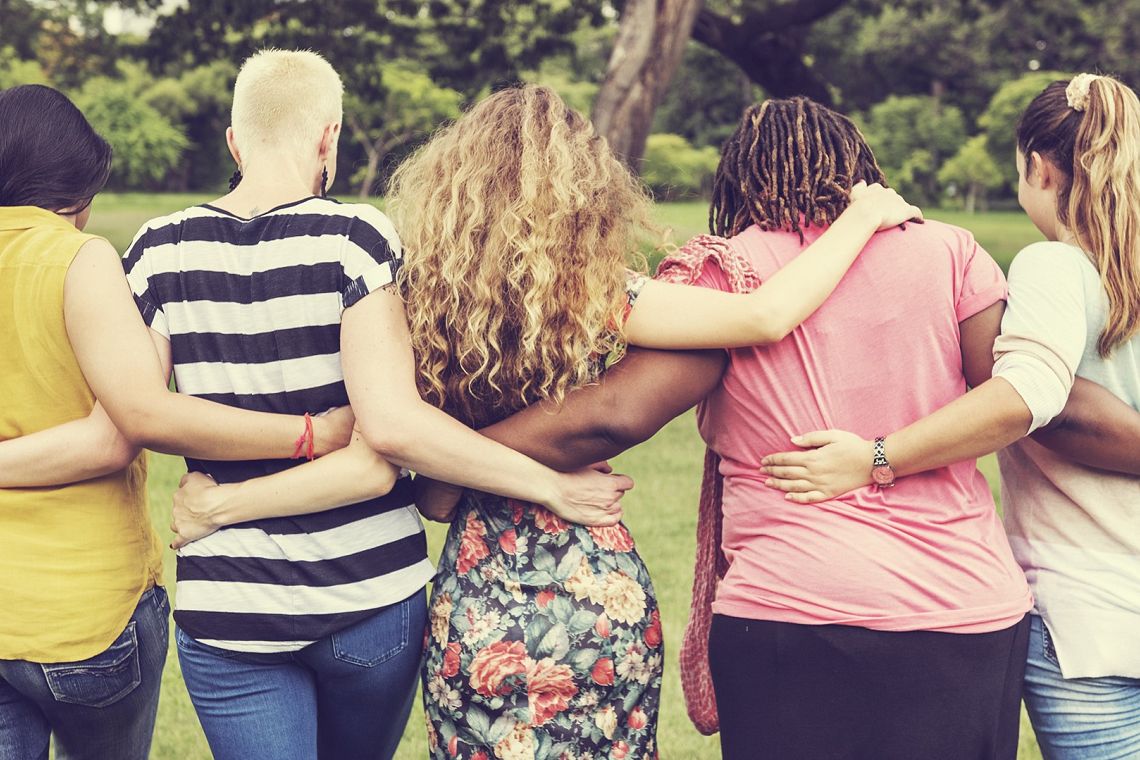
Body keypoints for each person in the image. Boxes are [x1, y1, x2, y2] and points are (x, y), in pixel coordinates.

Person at [170, 84, 921, 758]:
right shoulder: (597, 295)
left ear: (452, 185)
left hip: (478, 597)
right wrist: (862, 216)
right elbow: (764, 316)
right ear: (585, 189)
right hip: (597, 592)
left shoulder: (415, 300)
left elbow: (405, 453)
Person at [415, 93, 1140, 760]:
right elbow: (1028, 398)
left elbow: (613, 414)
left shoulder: (724, 270)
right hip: (967, 610)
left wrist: (449, 458)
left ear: (737, 180)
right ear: (862, 169)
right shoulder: (950, 251)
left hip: (794, 610)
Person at [763, 74, 1140, 760]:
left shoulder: (1057, 266)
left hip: (1094, 623)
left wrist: (877, 456)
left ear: (1038, 168)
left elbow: (1026, 394)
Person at [0, 84, 357, 760]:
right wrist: (311, 433)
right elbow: (120, 430)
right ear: (77, 192)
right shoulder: (78, 257)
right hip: (85, 615)